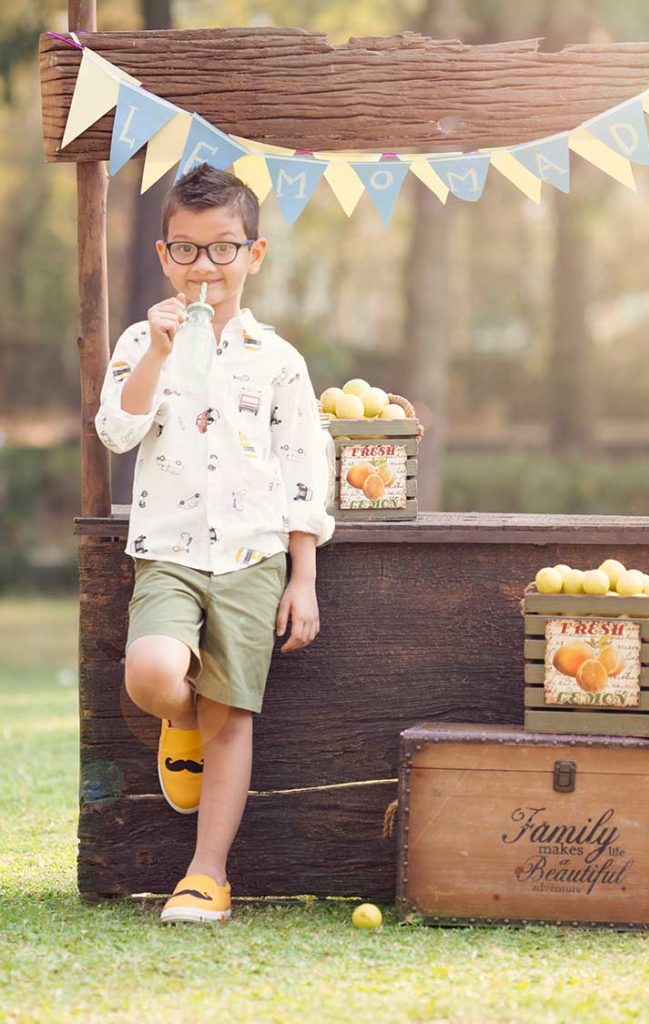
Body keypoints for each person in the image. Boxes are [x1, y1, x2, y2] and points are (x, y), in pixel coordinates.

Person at [95, 162, 335, 924]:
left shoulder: (279, 360)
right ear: (165, 256)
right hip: (169, 551)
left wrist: (303, 579)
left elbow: (303, 472)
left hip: (251, 558)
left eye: (224, 249)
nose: (206, 266)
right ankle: (179, 719)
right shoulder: (142, 340)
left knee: (232, 717)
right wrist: (160, 355)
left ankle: (206, 875)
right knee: (155, 676)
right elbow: (117, 429)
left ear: (252, 256)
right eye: (188, 250)